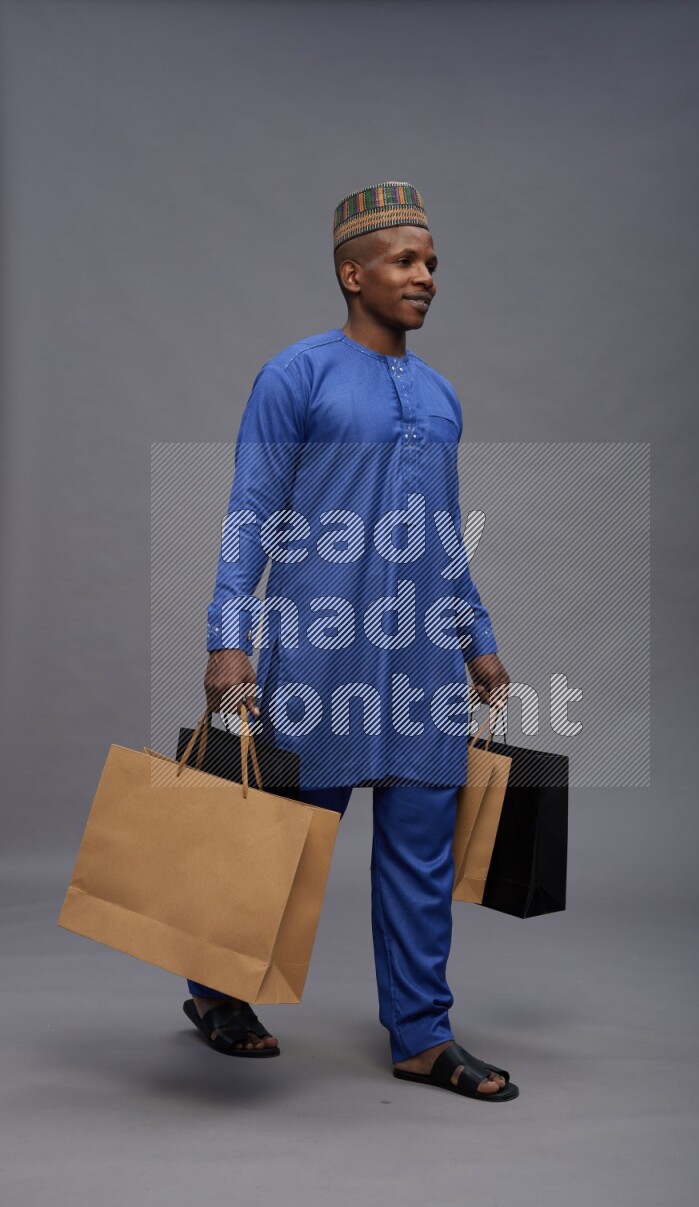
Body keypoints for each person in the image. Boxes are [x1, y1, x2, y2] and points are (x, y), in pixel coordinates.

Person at [182, 182, 517, 1102]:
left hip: (418, 661)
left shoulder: (441, 395)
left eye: (433, 264)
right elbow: (250, 511)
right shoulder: (298, 373)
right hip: (320, 647)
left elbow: (445, 532)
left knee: (422, 847)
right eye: (407, 261)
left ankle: (421, 1033)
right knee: (280, 839)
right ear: (352, 271)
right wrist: (228, 637)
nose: (426, 278)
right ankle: (216, 989)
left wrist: (476, 638)